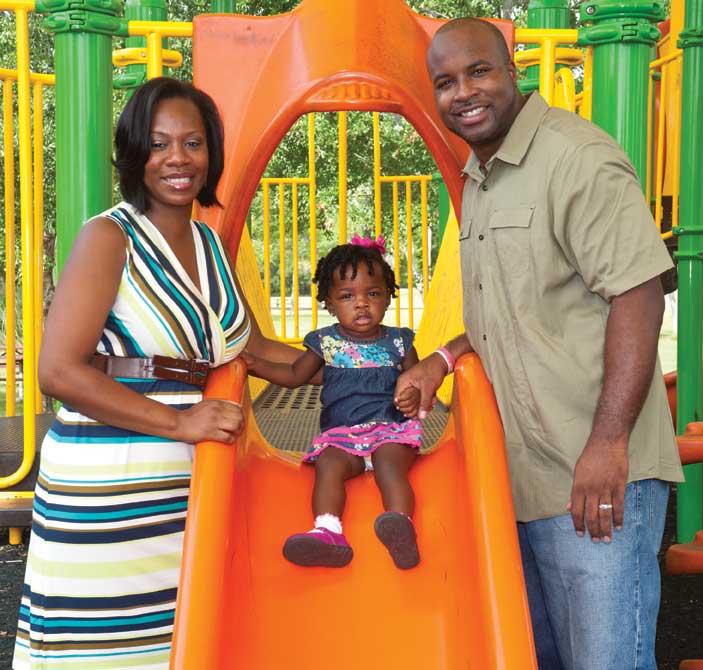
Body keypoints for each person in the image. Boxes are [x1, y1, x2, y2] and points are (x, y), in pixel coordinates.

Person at [394, 17, 685, 670]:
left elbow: (636, 295)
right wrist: (443, 358)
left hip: (592, 476)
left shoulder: (574, 157)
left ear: (512, 69)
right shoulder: (480, 179)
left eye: (478, 71)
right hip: (519, 484)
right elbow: (511, 311)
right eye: (445, 82)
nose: (463, 93)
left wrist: (607, 442)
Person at [13, 77, 300, 670]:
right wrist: (179, 422)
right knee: (104, 652)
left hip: (184, 492)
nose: (178, 159)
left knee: (177, 647)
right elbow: (58, 371)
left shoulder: (209, 244)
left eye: (193, 143)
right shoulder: (108, 237)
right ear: (134, 152)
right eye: (159, 143)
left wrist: (366, 352)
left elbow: (255, 350)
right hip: (108, 487)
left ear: (210, 153)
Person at [243, 235, 424, 570]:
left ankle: (400, 525)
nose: (361, 303)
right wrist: (255, 365)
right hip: (343, 436)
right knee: (328, 465)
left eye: (373, 294)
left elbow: (418, 380)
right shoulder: (325, 342)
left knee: (389, 463)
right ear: (329, 304)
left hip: (390, 430)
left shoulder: (399, 342)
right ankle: (328, 532)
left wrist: (414, 395)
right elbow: (295, 375)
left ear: (388, 297)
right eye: (347, 296)